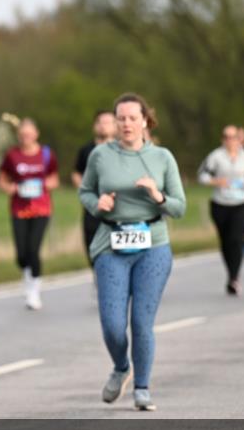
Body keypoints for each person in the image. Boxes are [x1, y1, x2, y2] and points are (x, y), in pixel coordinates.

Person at [79, 93, 186, 411]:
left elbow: (179, 208)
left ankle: (142, 387)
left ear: (144, 121)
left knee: (141, 322)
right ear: (114, 122)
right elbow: (85, 191)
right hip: (111, 243)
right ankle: (121, 367)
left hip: (152, 244)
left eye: (131, 118)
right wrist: (98, 204)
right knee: (112, 324)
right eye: (120, 118)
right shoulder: (100, 155)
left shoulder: (162, 157)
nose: (126, 123)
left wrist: (157, 194)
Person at [0, 116, 60, 310]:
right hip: (19, 209)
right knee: (21, 253)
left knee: (34, 249)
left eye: (29, 134)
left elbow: (54, 179)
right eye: (22, 134)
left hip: (41, 208)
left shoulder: (46, 155)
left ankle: (34, 290)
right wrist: (10, 188)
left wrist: (45, 185)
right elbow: (2, 179)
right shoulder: (12, 155)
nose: (26, 137)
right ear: (19, 135)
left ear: (36, 134)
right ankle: (26, 273)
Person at [198, 125, 244, 295]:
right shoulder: (215, 156)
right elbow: (202, 176)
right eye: (226, 136)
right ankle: (231, 273)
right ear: (222, 139)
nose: (230, 140)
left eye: (233, 136)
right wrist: (216, 181)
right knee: (225, 242)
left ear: (239, 139)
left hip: (240, 203)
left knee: (236, 239)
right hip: (220, 204)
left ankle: (234, 278)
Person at [72, 110, 117, 273]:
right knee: (92, 244)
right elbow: (76, 173)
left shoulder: (122, 148)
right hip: (94, 206)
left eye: (108, 122)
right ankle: (99, 276)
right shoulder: (86, 150)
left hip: (118, 206)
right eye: (100, 122)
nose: (104, 126)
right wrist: (86, 190)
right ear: (95, 126)